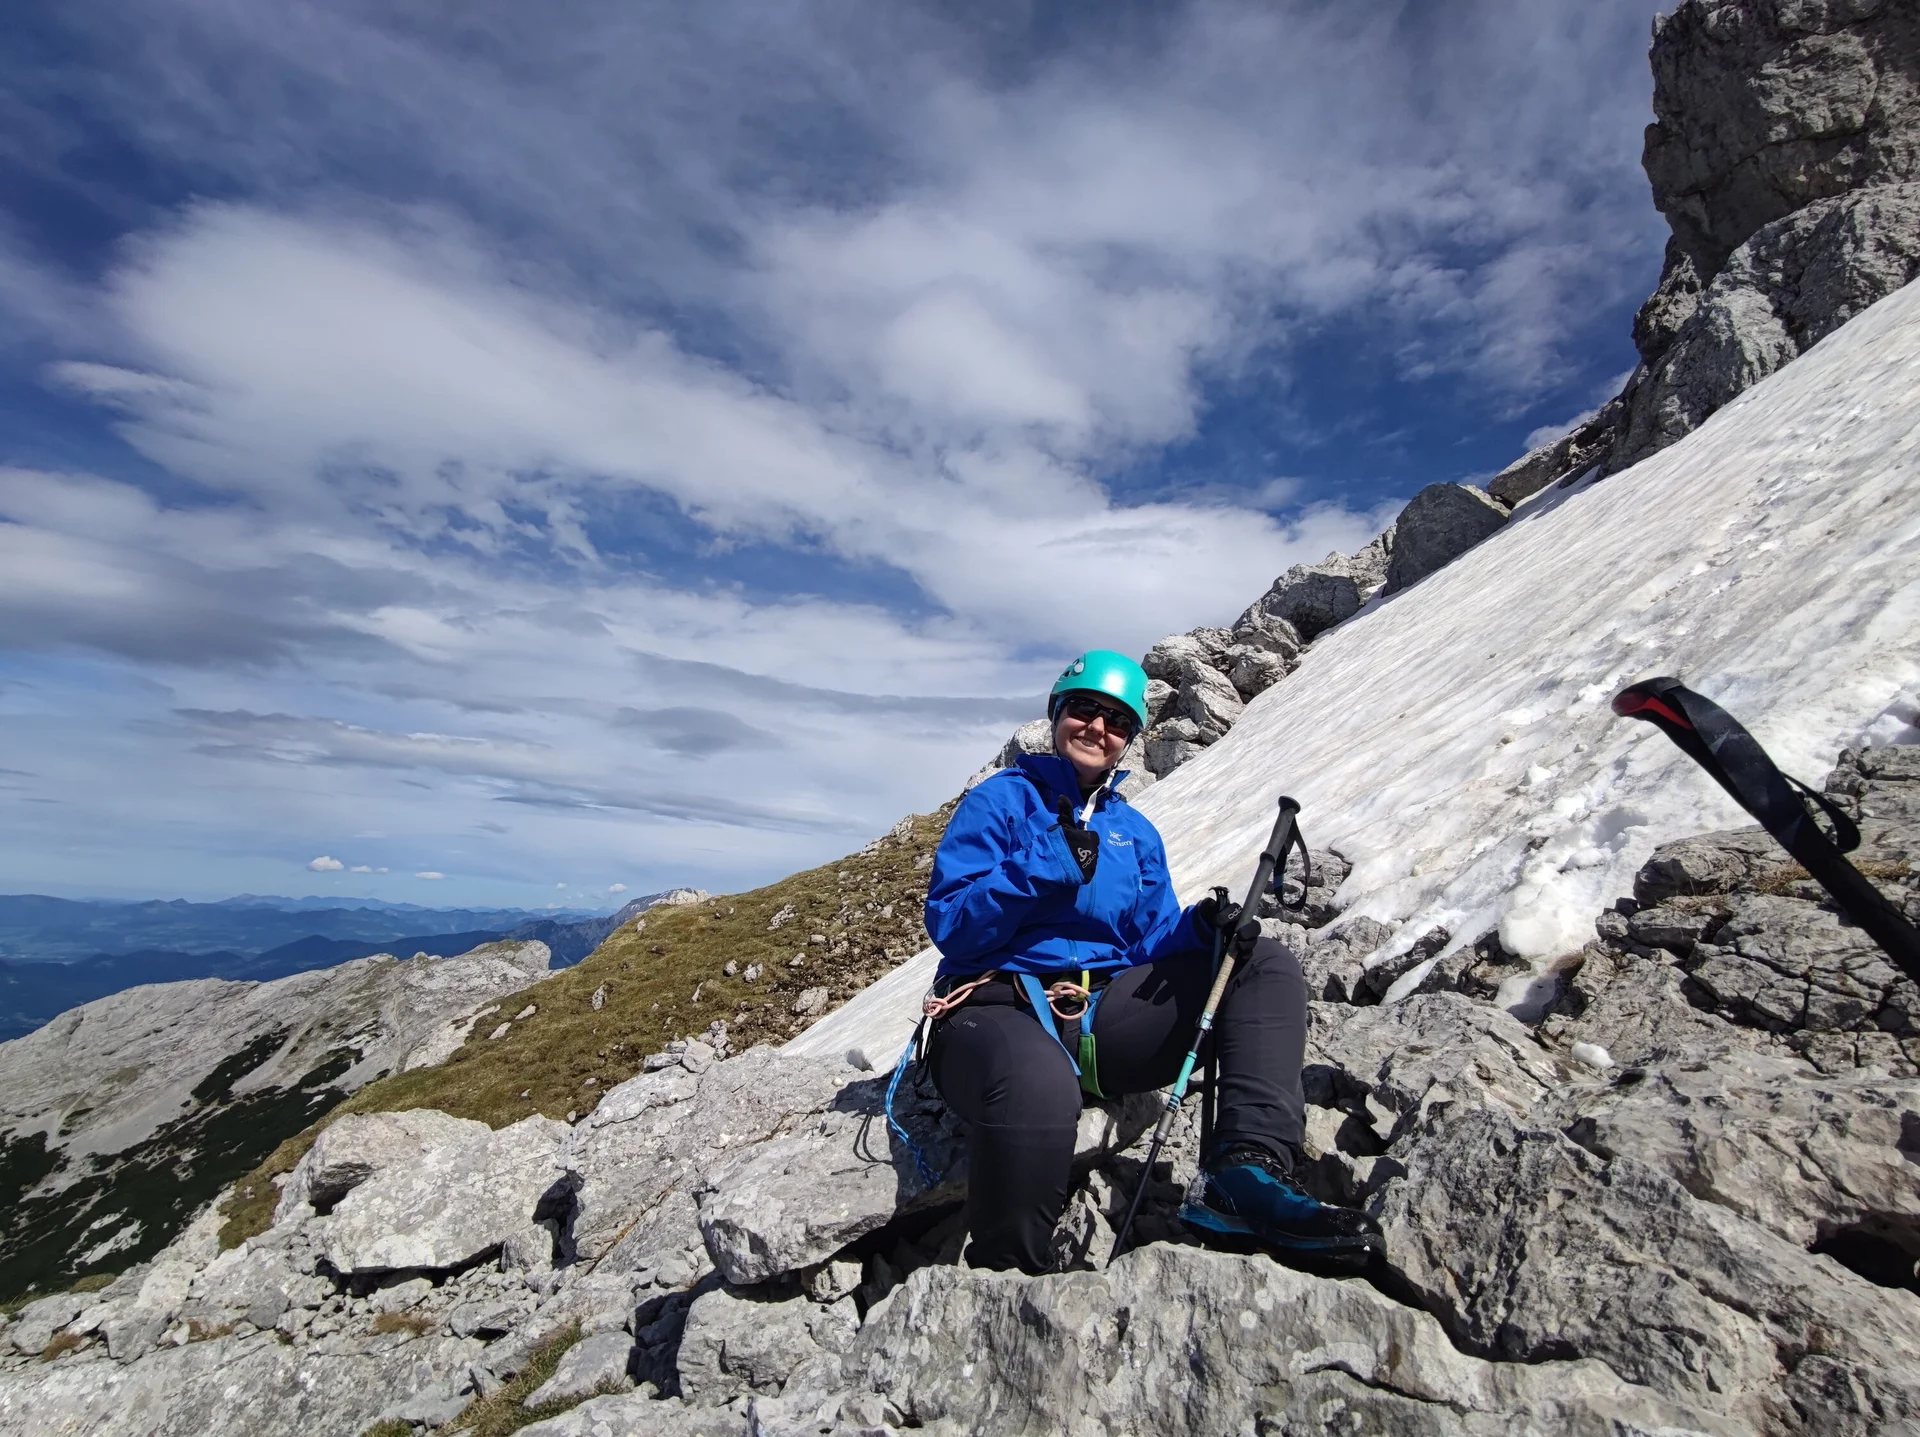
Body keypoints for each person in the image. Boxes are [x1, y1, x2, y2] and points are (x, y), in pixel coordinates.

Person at [923, 649, 1383, 1275]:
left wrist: (1198, 929)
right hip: (995, 1004)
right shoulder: (1001, 802)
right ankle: (1008, 1281)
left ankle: (1244, 1172)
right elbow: (953, 926)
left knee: (1260, 963)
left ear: (1130, 740)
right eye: (1084, 710)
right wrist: (1041, 866)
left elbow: (1148, 938)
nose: (1098, 728)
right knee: (1038, 1088)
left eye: (1117, 721)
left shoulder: (1133, 832)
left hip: (1101, 1014)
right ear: (1057, 715)